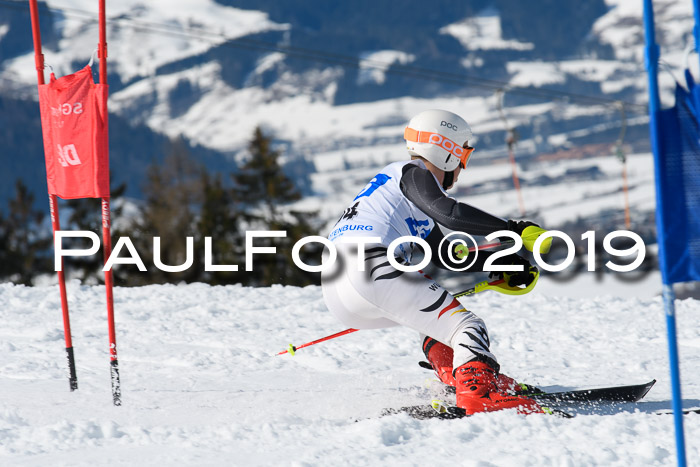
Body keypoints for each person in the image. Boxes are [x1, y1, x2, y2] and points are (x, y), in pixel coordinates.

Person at [321, 109, 551, 415]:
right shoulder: (414, 173)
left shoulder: (401, 190)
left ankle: (457, 377)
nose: (461, 167)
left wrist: (501, 263)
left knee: (433, 320)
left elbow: (444, 254)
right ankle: (477, 391)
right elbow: (450, 214)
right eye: (463, 156)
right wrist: (514, 229)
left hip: (338, 287)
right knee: (467, 326)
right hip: (369, 267)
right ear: (446, 152)